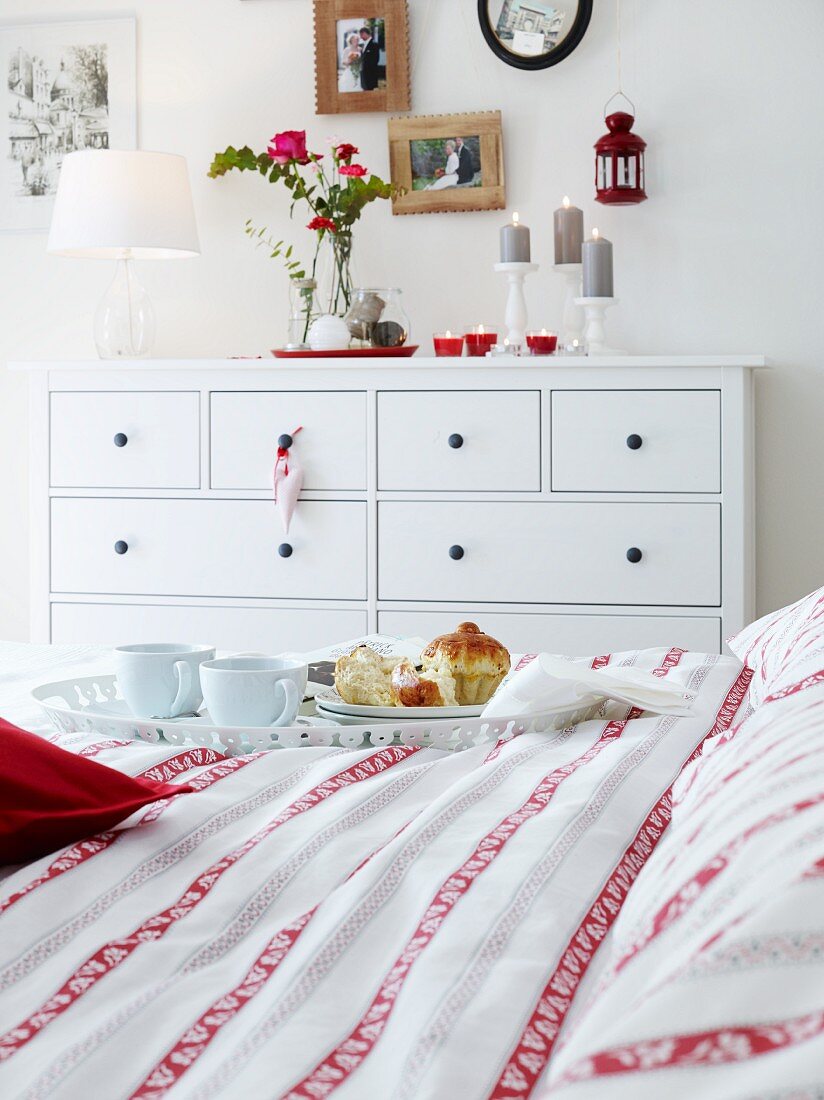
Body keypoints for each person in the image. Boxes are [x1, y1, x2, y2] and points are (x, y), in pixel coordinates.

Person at [359, 26, 380, 91]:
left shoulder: (374, 44)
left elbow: (376, 59)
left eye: (361, 35)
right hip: (364, 74)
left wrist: (368, 72)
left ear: (364, 33)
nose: (360, 37)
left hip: (370, 75)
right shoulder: (363, 45)